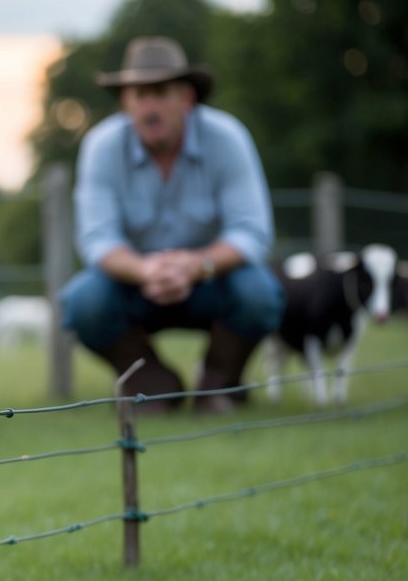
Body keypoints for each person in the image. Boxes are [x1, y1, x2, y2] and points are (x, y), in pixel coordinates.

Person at [59, 36, 285, 413]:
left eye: (161, 93)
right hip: (134, 284)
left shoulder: (227, 137)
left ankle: (218, 380)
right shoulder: (101, 145)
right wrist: (144, 269)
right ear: (125, 101)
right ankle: (151, 383)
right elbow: (97, 238)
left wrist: (197, 266)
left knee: (260, 294)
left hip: (213, 280)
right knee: (84, 301)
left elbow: (252, 231)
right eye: (139, 95)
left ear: (187, 98)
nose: (150, 107)